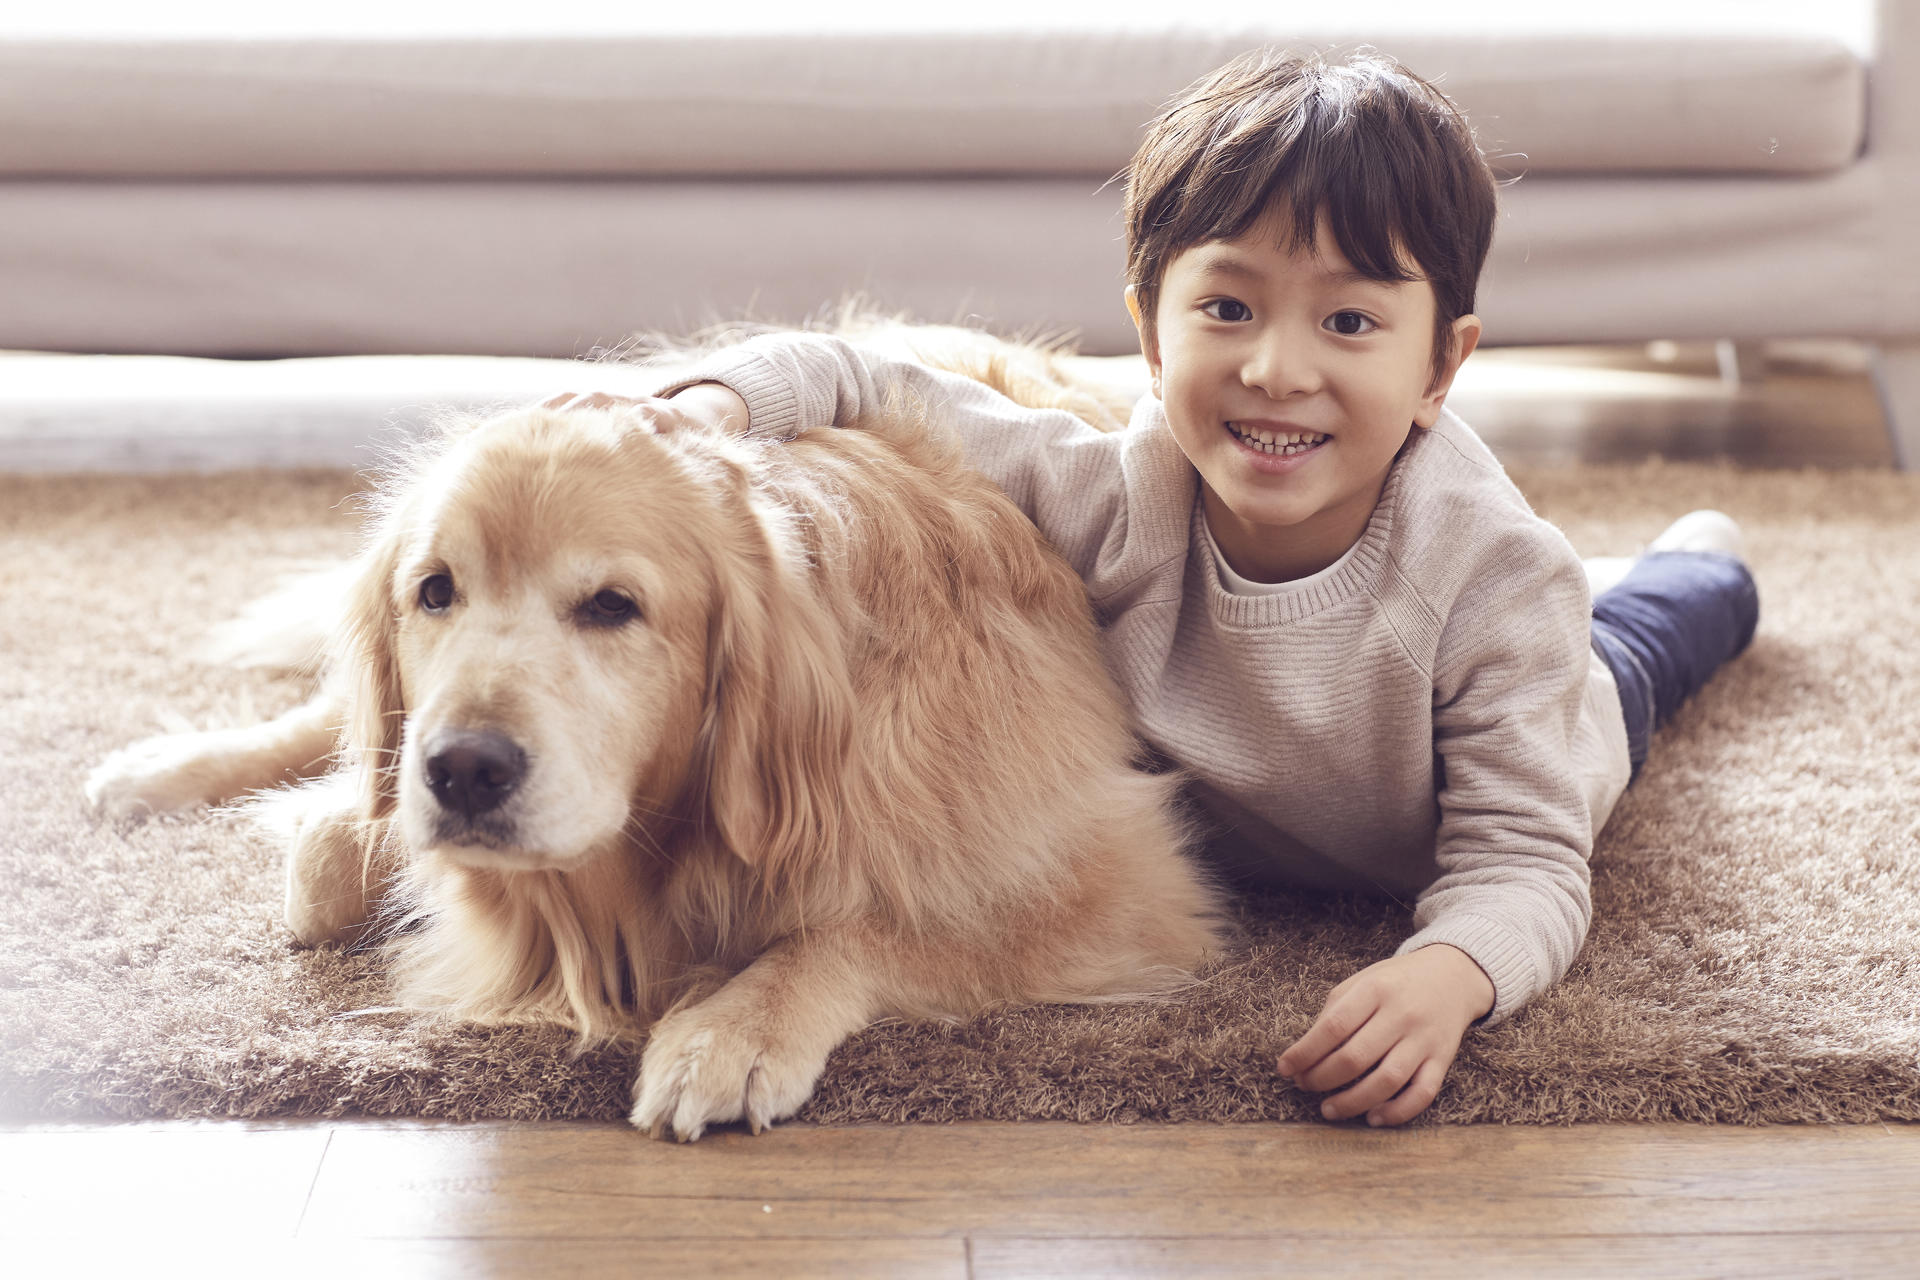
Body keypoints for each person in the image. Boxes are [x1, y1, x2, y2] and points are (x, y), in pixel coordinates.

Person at [563, 48, 1759, 1126]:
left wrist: (1448, 972)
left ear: (1443, 363)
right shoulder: (1117, 485)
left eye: (1349, 320)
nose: (1275, 368)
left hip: (1524, 739)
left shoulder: (1496, 580)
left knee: (1645, 645)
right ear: (1148, 334)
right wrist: (702, 408)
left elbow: (1529, 867)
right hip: (1286, 787)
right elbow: (867, 378)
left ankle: (1697, 570)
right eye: (1226, 308)